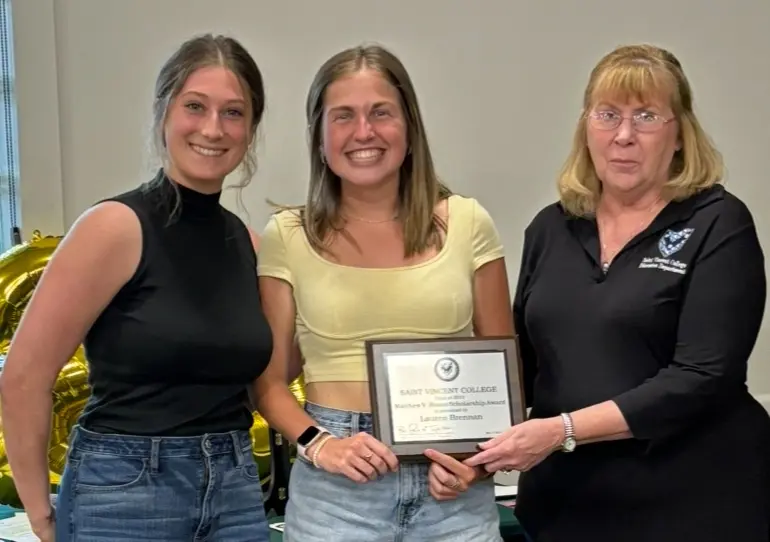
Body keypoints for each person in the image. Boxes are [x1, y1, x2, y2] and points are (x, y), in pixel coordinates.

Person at [465, 44, 770, 542]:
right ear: (587, 127)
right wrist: (463, 444)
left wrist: (560, 430)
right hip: (567, 505)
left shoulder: (718, 222)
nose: (624, 136)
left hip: (692, 503)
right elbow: (520, 363)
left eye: (646, 116)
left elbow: (703, 375)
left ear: (679, 134)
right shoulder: (552, 227)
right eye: (608, 115)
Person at [0, 34, 273, 542]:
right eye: (196, 106)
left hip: (234, 486)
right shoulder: (115, 227)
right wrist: (40, 514)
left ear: (251, 129)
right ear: (164, 112)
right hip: (124, 488)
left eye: (234, 113)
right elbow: (22, 378)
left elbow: (264, 381)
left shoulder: (248, 244)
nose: (213, 128)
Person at [252, 44, 513, 541]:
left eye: (381, 113)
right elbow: (265, 382)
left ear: (409, 128)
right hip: (337, 486)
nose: (363, 132)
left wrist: (475, 464)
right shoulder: (287, 235)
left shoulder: (468, 222)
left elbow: (503, 370)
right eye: (343, 116)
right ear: (320, 136)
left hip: (451, 485)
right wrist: (318, 442)